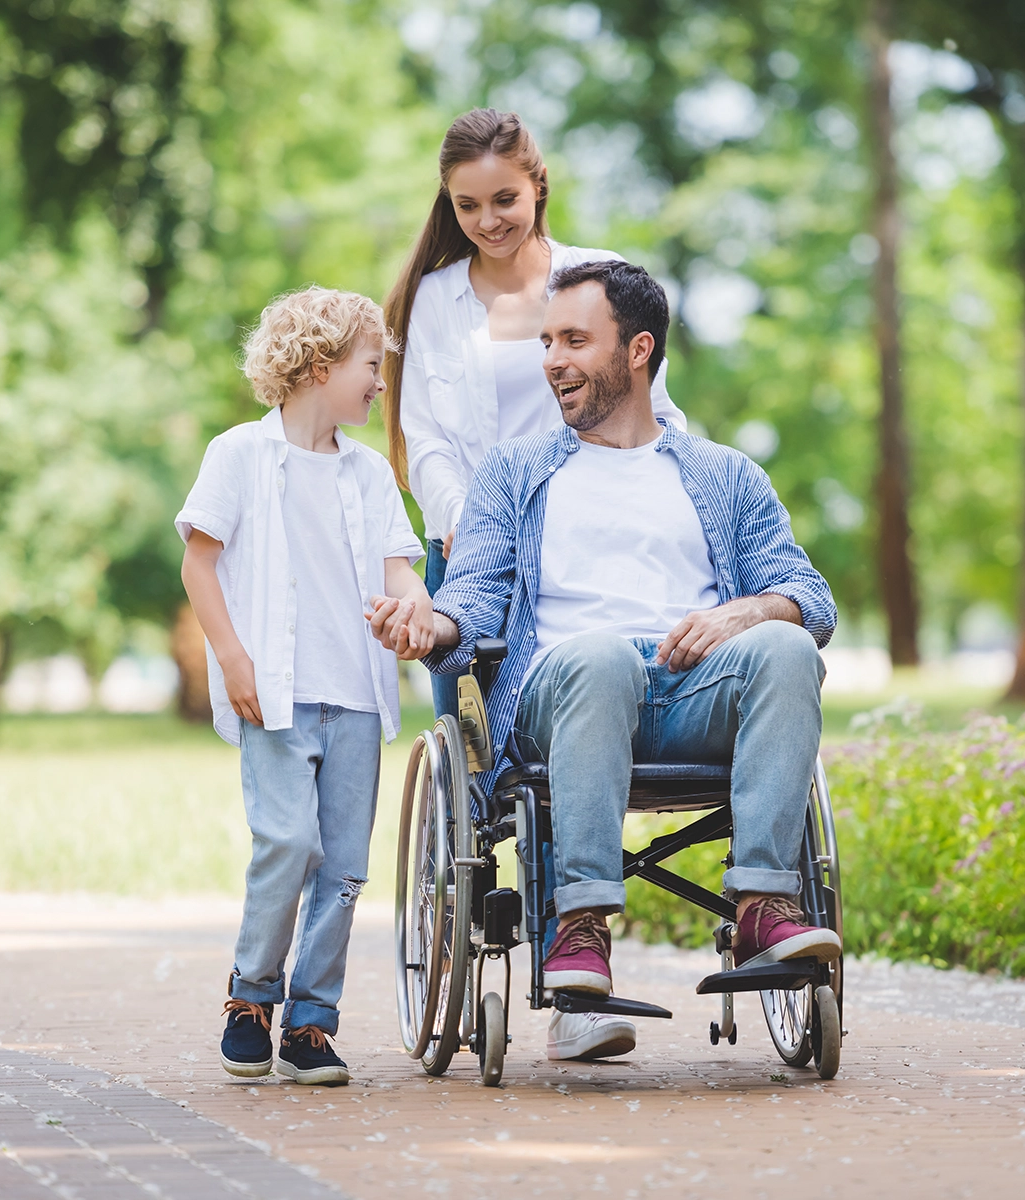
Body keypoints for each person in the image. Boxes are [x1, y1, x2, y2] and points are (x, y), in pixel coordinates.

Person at [368, 261, 841, 1056]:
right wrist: (431, 624)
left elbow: (811, 596)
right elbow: (475, 599)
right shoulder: (515, 474)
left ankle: (764, 903)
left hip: (695, 694)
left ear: (638, 350)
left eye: (575, 340)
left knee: (788, 644)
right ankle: (579, 926)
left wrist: (747, 611)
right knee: (599, 658)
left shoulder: (725, 476)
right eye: (547, 340)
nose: (551, 358)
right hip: (568, 694)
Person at [176, 286, 430, 1087]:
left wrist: (415, 608)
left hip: (356, 693)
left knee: (345, 867)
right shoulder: (239, 456)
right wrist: (233, 657)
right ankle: (252, 996)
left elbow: (401, 571)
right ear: (321, 365)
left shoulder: (369, 474)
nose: (379, 383)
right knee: (289, 843)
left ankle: (312, 1023)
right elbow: (199, 562)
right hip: (275, 693)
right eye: (369, 365)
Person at [382, 107, 686, 722]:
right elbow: (426, 437)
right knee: (473, 752)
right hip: (470, 546)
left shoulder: (597, 278)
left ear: (538, 185)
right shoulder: (433, 299)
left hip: (589, 536)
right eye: (468, 206)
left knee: (588, 715)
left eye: (504, 199)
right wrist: (470, 521)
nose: (488, 221)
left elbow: (651, 408)